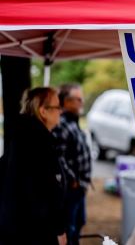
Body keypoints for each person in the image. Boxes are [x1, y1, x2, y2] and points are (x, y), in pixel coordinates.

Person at [0, 87, 67, 245]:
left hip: (15, 227)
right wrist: (59, 229)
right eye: (57, 107)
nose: (61, 111)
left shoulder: (21, 135)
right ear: (43, 111)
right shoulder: (38, 142)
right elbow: (50, 190)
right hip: (33, 232)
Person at [53, 84, 91, 245]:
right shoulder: (61, 124)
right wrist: (72, 180)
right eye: (78, 99)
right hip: (71, 188)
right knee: (70, 228)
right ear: (67, 102)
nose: (81, 103)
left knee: (79, 222)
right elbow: (57, 157)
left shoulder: (73, 122)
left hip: (80, 186)